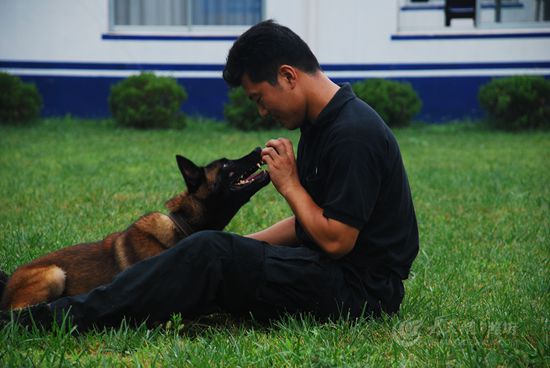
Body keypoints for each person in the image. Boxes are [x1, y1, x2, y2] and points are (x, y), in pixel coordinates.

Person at [1, 20, 418, 331]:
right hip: (326, 269)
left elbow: (336, 239)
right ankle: (36, 295)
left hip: (360, 293)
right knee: (207, 251)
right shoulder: (321, 125)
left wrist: (288, 185)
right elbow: (310, 222)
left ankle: (42, 321)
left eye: (259, 97)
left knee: (209, 257)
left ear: (288, 76)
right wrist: (227, 245)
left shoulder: (353, 134)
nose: (260, 111)